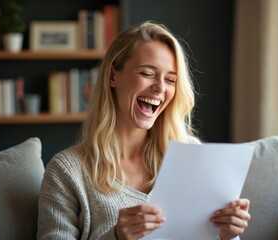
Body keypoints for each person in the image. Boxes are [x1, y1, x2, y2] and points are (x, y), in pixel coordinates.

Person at [37, 21, 251, 240]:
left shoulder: (190, 153)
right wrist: (117, 236)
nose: (160, 87)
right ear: (113, 76)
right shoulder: (66, 171)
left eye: (170, 79)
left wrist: (227, 235)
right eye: (147, 73)